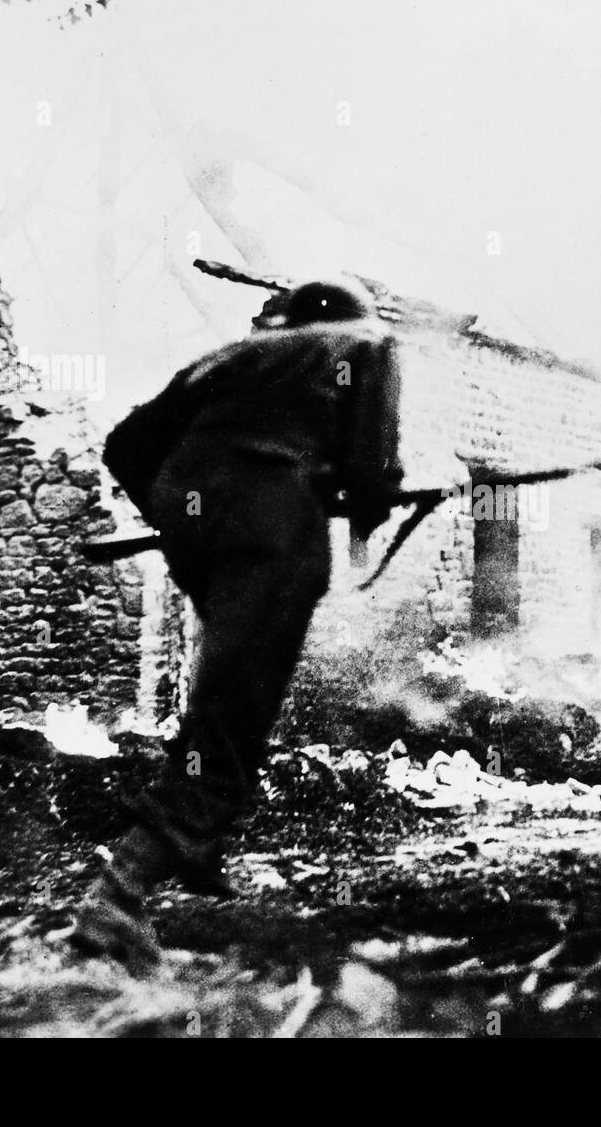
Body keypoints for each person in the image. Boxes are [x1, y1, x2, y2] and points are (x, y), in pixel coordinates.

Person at [70, 278, 403, 966]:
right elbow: (373, 467)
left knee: (223, 677)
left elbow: (127, 445)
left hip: (190, 508)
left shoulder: (226, 358)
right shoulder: (368, 342)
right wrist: (359, 504)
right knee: (237, 702)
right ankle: (119, 891)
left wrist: (177, 515)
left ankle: (201, 856)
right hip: (271, 521)